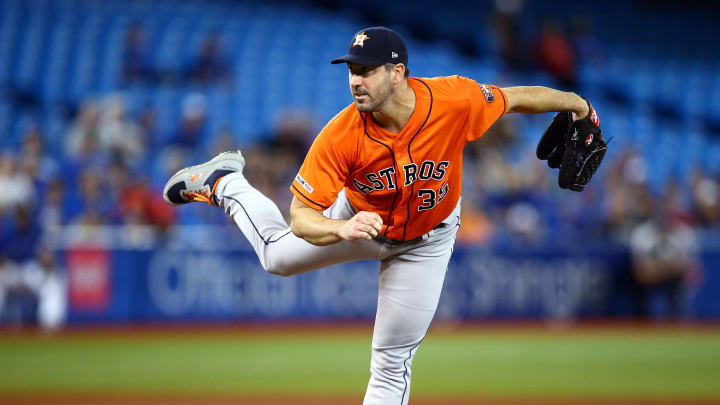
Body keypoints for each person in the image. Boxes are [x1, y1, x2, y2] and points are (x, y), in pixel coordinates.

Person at [163, 26, 593, 405]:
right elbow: (299, 216)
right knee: (276, 256)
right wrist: (339, 227)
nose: (355, 80)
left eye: (366, 70)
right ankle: (224, 182)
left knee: (391, 364)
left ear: (397, 72)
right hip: (361, 222)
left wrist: (575, 103)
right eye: (352, 70)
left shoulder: (453, 101)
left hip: (428, 239)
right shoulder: (340, 135)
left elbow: (516, 98)